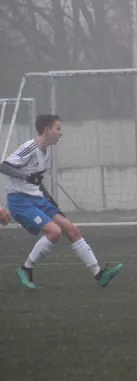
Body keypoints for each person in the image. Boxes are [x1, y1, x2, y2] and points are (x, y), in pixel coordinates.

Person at [0, 114, 123, 289]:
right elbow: (4, 166)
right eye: (58, 129)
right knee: (54, 232)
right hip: (20, 200)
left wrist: (51, 202)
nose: (60, 134)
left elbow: (37, 181)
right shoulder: (30, 147)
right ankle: (25, 268)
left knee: (72, 230)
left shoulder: (46, 153)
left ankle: (99, 274)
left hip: (38, 199)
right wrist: (25, 176)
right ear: (47, 130)